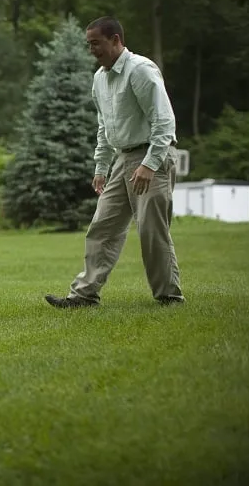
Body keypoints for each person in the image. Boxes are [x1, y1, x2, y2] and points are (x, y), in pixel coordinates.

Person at [45, 16, 185, 309]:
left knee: (151, 229)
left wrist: (150, 164)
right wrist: (101, 166)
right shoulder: (100, 77)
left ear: (116, 40)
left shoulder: (141, 71)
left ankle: (169, 296)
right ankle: (84, 295)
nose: (92, 49)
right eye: (89, 44)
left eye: (96, 43)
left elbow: (164, 121)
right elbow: (105, 127)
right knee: (102, 227)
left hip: (151, 156)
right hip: (123, 159)